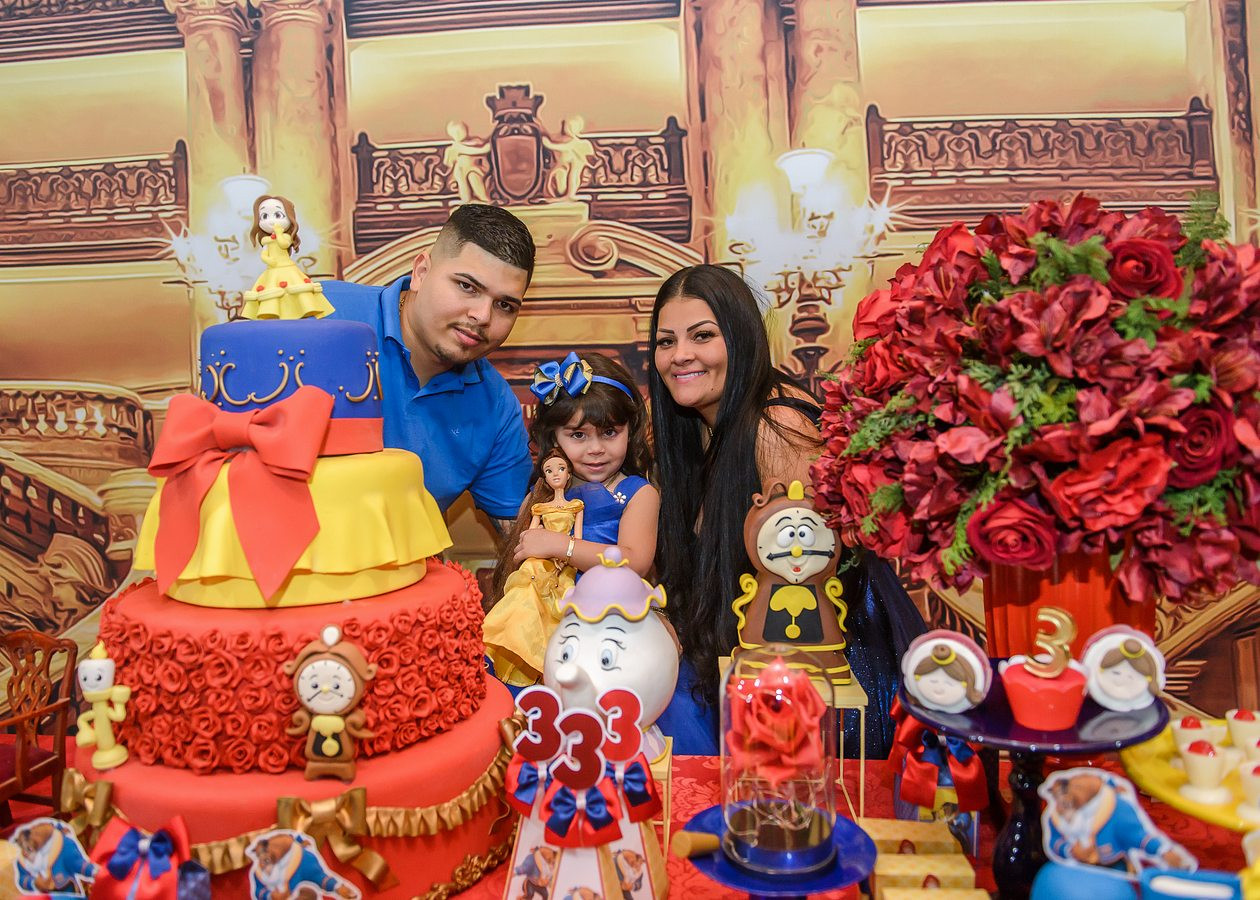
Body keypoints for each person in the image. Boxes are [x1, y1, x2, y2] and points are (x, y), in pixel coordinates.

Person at [648, 264, 925, 756]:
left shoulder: (778, 426)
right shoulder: (690, 427)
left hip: (820, 684)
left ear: (742, 338)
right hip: (749, 666)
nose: (680, 355)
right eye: (666, 341)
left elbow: (802, 584)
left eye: (702, 336)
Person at [325, 204, 535, 529]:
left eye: (504, 305)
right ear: (421, 272)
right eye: (467, 286)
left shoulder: (495, 407)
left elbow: (517, 535)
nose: (482, 316)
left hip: (405, 561)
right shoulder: (320, 312)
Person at [484, 448, 585, 685]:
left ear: (569, 474)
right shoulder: (540, 508)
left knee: (559, 604)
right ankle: (512, 638)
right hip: (539, 559)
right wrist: (537, 538)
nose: (556, 474)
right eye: (549, 471)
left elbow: (578, 539)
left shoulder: (575, 506)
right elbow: (529, 536)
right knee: (527, 589)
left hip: (564, 561)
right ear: (545, 479)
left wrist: (565, 554)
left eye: (561, 468)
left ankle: (549, 661)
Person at [242, 195, 333, 320]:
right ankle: (273, 312)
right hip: (272, 271)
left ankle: (298, 311)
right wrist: (267, 259)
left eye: (278, 215)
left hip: (287, 269)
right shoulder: (266, 240)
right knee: (272, 292)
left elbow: (283, 244)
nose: (271, 221)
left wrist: (279, 233)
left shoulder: (286, 237)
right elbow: (264, 253)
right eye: (264, 216)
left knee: (295, 290)